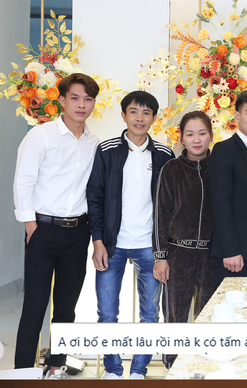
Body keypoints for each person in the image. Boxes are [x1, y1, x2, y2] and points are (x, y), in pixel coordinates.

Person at [13, 73, 100, 378]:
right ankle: (23, 371)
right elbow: (24, 180)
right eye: (74, 98)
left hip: (78, 232)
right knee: (35, 305)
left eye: (88, 99)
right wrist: (30, 225)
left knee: (66, 307)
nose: (81, 104)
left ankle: (55, 365)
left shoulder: (94, 143)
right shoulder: (41, 136)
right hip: (43, 229)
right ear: (61, 101)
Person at [86, 90, 174, 379]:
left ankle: (138, 370)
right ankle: (113, 370)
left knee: (150, 314)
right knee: (107, 314)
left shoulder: (164, 155)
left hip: (149, 246)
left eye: (146, 113)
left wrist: (163, 250)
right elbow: (95, 197)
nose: (139, 118)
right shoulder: (107, 150)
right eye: (133, 112)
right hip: (112, 245)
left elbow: (170, 204)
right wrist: (98, 241)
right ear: (123, 115)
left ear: (154, 118)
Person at [153, 110, 214, 329]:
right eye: (190, 134)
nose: (196, 140)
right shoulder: (171, 169)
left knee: (209, 317)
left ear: (211, 136)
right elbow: (160, 215)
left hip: (212, 256)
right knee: (174, 317)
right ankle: (173, 353)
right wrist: (160, 257)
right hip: (178, 255)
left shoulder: (219, 167)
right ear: (182, 139)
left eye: (202, 133)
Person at [209, 88, 247, 287]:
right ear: (237, 116)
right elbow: (220, 204)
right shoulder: (223, 150)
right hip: (235, 253)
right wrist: (230, 250)